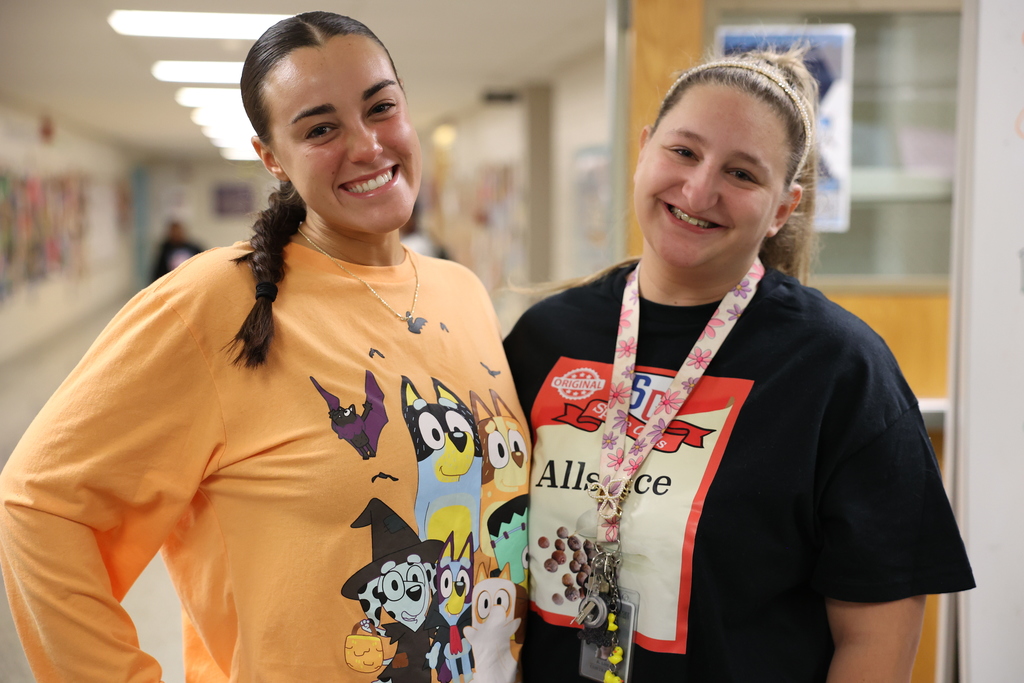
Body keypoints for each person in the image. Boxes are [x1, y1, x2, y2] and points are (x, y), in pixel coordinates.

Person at [0, 12, 530, 682]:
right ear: (272, 156)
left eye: (381, 107)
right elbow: (40, 503)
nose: (366, 145)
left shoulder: (462, 291)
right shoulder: (213, 304)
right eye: (320, 128)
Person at [504, 48, 974, 682]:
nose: (700, 190)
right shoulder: (546, 338)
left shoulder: (840, 370)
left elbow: (876, 633)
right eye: (683, 152)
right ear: (644, 149)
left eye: (744, 174)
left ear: (784, 207)